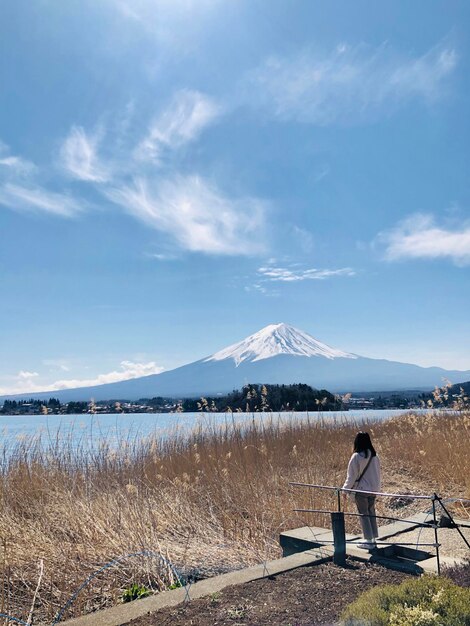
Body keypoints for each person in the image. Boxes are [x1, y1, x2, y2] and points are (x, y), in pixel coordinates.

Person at [342, 432, 381, 550]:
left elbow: (351, 476)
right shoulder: (375, 456)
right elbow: (378, 474)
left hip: (362, 490)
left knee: (363, 514)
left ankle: (368, 541)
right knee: (371, 513)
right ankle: (373, 539)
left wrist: (345, 490)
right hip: (373, 490)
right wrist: (376, 489)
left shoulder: (357, 456)